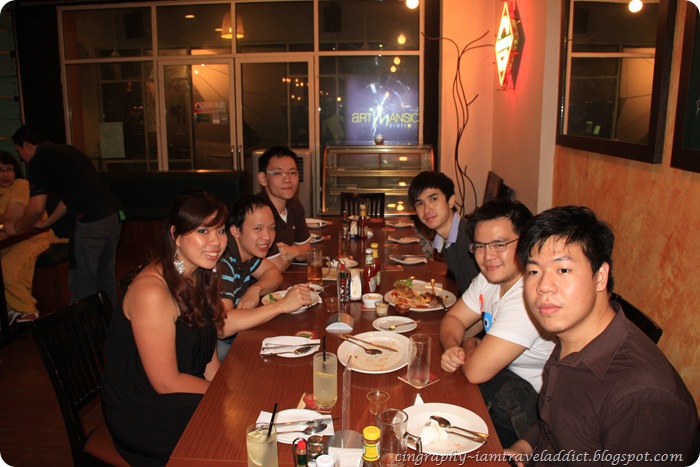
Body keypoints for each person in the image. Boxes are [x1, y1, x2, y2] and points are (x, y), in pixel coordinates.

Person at [506, 206, 697, 466]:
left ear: (600, 277)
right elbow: (557, 421)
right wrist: (525, 445)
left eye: (563, 270)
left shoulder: (640, 395)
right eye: (534, 271)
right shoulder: (573, 335)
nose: (543, 287)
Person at [102, 189, 226, 466]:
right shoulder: (152, 292)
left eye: (220, 230)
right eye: (203, 231)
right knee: (230, 436)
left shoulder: (199, 275)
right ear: (175, 236)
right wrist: (223, 395)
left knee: (245, 416)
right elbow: (165, 382)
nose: (216, 242)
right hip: (144, 410)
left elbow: (208, 357)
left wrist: (225, 389)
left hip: (181, 391)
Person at [438, 198, 555, 447]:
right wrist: (451, 346)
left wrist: (468, 343)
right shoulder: (490, 279)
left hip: (531, 414)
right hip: (501, 387)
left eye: (499, 244)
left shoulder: (528, 295)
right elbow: (453, 318)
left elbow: (475, 371)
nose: (488, 256)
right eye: (480, 246)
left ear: (526, 242)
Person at [11, 125, 123, 307]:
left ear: (26, 145)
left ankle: (85, 324)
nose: (22, 158)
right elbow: (68, 199)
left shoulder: (39, 159)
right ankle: (110, 321)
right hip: (113, 216)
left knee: (83, 283)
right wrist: (47, 223)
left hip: (90, 221)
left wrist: (17, 227)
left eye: (19, 152)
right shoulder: (67, 150)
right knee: (105, 277)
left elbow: (36, 207)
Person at [216, 194, 312, 360]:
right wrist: (282, 305)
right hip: (216, 348)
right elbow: (223, 326)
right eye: (258, 229)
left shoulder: (247, 252)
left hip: (239, 335)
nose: (267, 237)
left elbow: (273, 274)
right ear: (235, 231)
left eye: (272, 228)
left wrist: (256, 288)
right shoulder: (223, 260)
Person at [0, 151, 64, 323]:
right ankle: (10, 309)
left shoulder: (20, 185)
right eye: (0, 170)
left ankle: (27, 308)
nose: (5, 175)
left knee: (6, 268)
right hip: (10, 239)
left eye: (9, 169)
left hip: (33, 236)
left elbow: (12, 217)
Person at [408, 171, 478, 294]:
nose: (426, 209)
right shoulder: (446, 238)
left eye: (433, 199)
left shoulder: (468, 238)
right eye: (420, 203)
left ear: (451, 201)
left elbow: (482, 295)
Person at [256, 146, 311, 271]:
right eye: (278, 173)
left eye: (292, 173)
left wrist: (294, 251)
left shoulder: (294, 203)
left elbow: (307, 249)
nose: (287, 179)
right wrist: (297, 251)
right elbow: (275, 267)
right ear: (263, 179)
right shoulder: (258, 211)